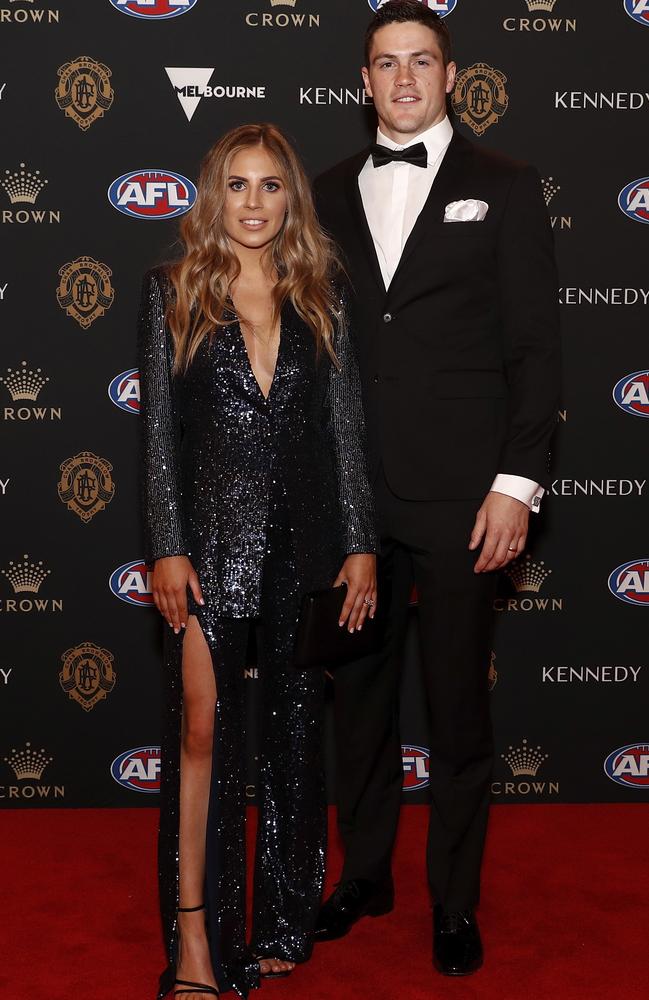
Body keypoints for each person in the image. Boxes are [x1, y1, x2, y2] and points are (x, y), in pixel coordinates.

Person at [313, 0, 561, 977]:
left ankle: (452, 902)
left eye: (422, 61)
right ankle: (364, 872)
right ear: (363, 81)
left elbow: (536, 352)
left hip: (464, 499)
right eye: (386, 63)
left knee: (457, 713)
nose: (404, 79)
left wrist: (515, 483)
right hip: (350, 498)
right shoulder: (325, 190)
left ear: (450, 76)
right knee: (358, 702)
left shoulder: (506, 185)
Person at [138, 123, 377, 999]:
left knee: (289, 735)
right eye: (237, 185)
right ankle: (196, 941)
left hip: (305, 550)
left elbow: (346, 429)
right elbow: (159, 438)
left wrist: (359, 545)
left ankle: (279, 921)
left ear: (292, 200)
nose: (252, 203)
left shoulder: (323, 294)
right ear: (214, 196)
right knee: (202, 733)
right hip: (206, 549)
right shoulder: (171, 291)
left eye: (271, 186)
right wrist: (167, 545)